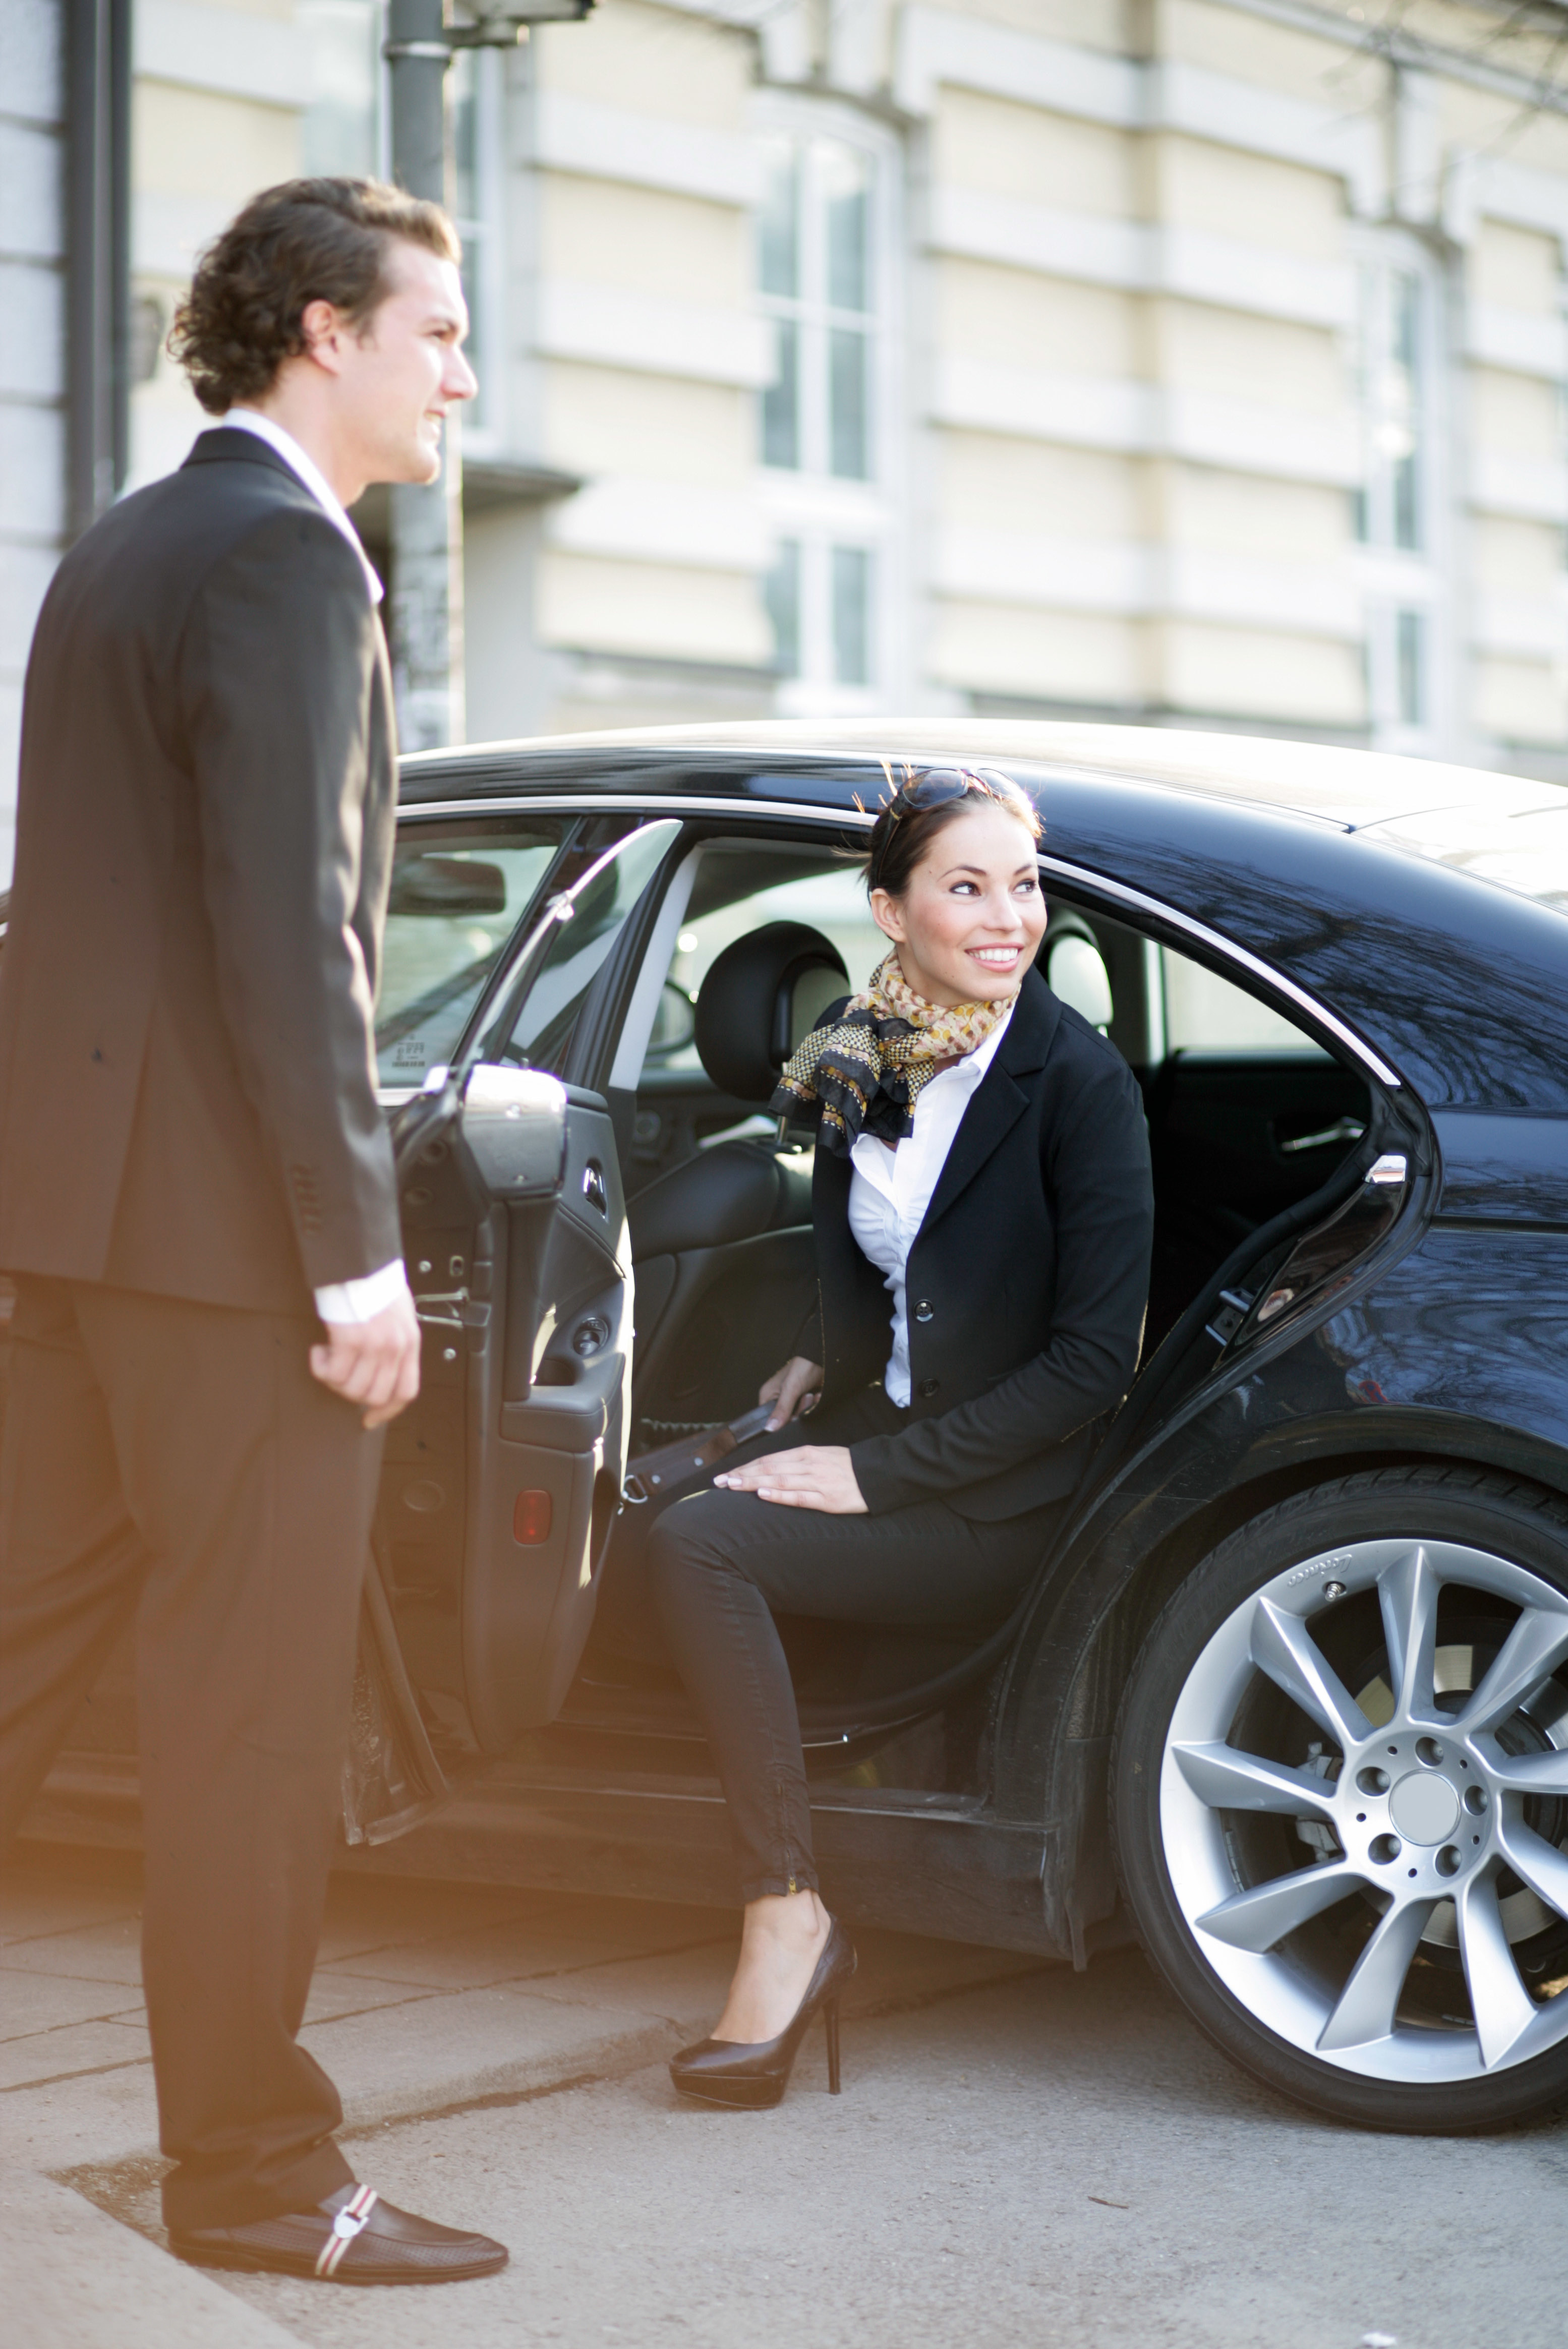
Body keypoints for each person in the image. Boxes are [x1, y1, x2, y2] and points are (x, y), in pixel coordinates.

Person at [0, 179, 506, 2283]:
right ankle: (258, 2182)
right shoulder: (294, 559)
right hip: (229, 1262)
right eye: (439, 332)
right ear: (324, 333)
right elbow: (285, 930)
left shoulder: (119, 544)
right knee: (245, 1727)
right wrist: (354, 1248)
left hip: (73, 1242)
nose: (463, 372)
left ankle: (248, 2161)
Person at [641, 767, 1155, 2109]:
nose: (1007, 919)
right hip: (893, 1430)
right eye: (967, 886)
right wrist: (820, 1356)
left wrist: (865, 1476)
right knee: (645, 1512)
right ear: (891, 907)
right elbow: (868, 1254)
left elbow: (1098, 1363)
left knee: (701, 1550)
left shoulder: (1076, 1086)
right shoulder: (864, 1056)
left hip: (1005, 1500)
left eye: (1025, 885)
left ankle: (787, 1913)